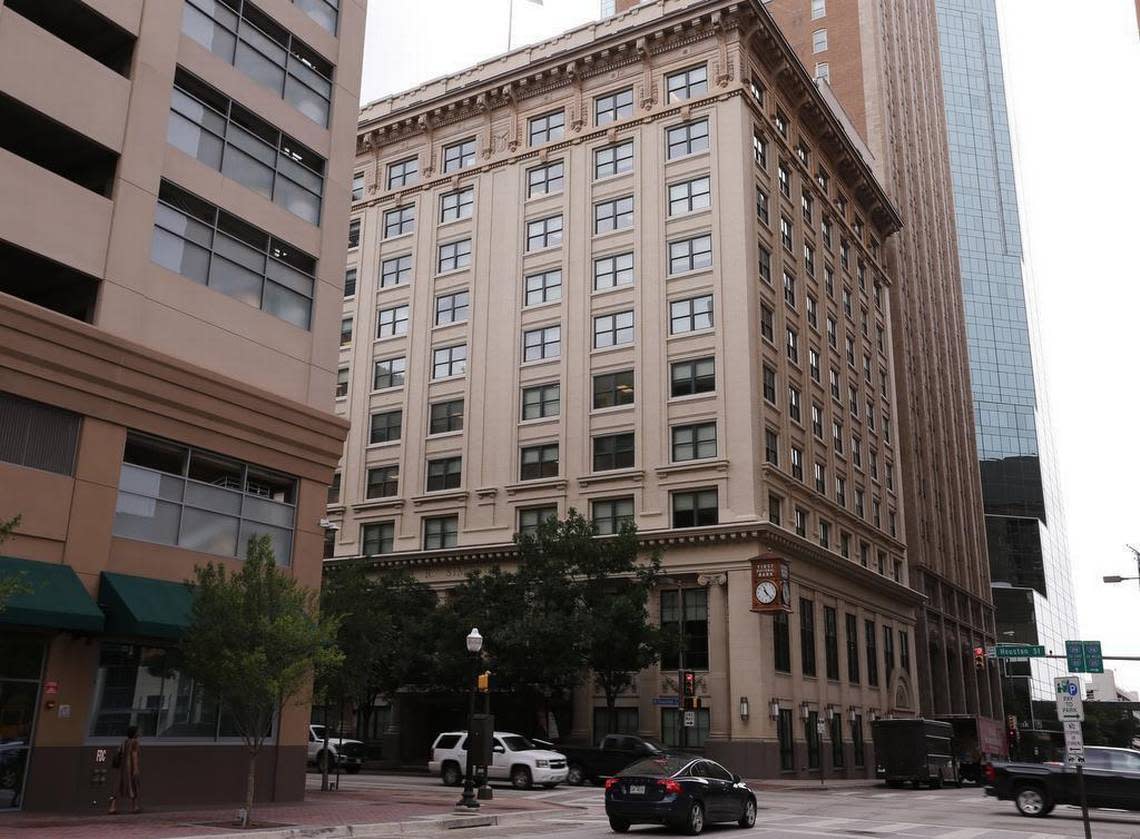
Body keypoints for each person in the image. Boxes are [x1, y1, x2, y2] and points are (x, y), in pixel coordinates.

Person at [108, 725, 141, 815]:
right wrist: (136, 768)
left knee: (118, 785)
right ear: (134, 733)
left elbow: (119, 752)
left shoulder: (124, 742)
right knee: (133, 785)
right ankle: (135, 807)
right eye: (138, 731)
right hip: (130, 767)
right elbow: (134, 755)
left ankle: (112, 807)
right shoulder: (135, 742)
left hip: (122, 768)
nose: (139, 732)